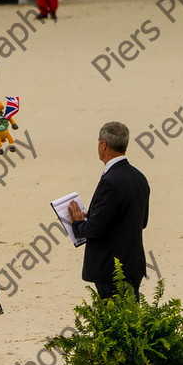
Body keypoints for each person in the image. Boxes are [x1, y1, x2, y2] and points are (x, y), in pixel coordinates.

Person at [67, 122, 150, 299]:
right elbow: (140, 221)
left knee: (114, 322)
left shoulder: (110, 180)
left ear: (103, 144)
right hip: (133, 264)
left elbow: (95, 228)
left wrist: (77, 223)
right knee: (131, 322)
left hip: (111, 269)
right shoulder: (139, 177)